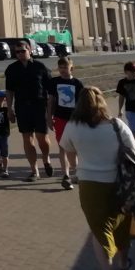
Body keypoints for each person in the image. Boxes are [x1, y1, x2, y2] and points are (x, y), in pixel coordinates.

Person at [60, 87, 135, 270]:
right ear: (102, 102)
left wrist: (75, 167)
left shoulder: (73, 126)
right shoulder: (117, 126)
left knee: (99, 230)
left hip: (90, 185)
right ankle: (124, 265)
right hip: (119, 184)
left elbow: (68, 151)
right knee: (122, 225)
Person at [4, 39, 53, 181]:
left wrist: (50, 111)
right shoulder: (12, 69)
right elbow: (9, 91)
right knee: (27, 138)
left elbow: (50, 90)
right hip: (22, 107)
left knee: (42, 138)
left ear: (30, 50)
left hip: (39, 106)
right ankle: (34, 171)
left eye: (22, 51)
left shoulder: (40, 67)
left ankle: (46, 158)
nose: (19, 54)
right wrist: (9, 109)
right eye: (17, 52)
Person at [48, 56, 84, 189]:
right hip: (60, 118)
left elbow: (82, 103)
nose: (63, 70)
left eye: (66, 67)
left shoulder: (77, 84)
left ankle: (78, 172)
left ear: (71, 68)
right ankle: (66, 175)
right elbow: (50, 101)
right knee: (62, 146)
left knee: (75, 147)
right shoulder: (54, 82)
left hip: (75, 119)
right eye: (61, 68)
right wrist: (49, 117)